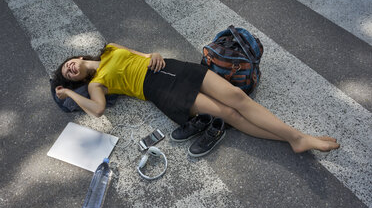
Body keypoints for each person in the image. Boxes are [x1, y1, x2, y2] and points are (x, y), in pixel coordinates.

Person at [52, 43, 340, 154]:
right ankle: (296, 139)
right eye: (69, 76)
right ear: (78, 81)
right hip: (159, 90)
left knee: (237, 96)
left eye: (69, 65)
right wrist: (68, 94)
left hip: (171, 66)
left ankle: (297, 137)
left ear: (76, 58)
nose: (71, 70)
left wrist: (153, 54)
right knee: (230, 115)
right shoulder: (96, 85)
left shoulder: (109, 48)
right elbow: (98, 110)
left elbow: (141, 55)